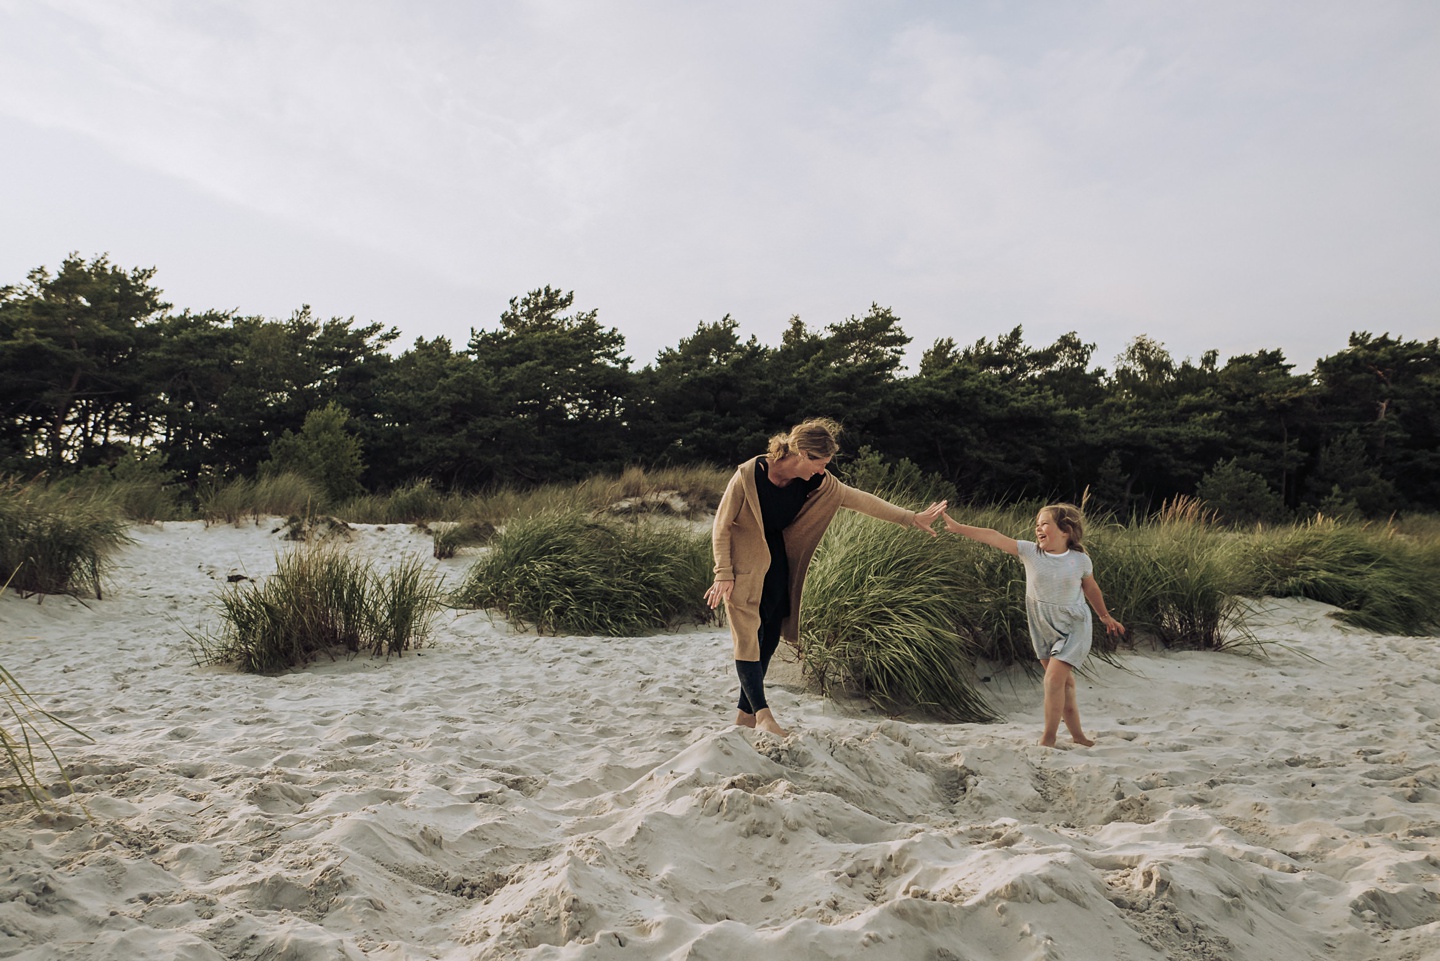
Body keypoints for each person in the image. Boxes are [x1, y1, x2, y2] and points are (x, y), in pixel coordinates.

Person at [705, 418, 947, 737]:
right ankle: (762, 714)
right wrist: (723, 572)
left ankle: (744, 714)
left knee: (772, 629)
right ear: (803, 454)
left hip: (776, 555)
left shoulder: (815, 482)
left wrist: (910, 518)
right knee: (747, 633)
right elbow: (721, 525)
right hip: (743, 561)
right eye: (820, 463)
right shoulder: (749, 475)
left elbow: (858, 499)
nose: (822, 471)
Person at [942, 503, 1125, 748]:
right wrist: (959, 527)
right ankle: (1078, 736)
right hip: (1042, 626)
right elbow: (994, 537)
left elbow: (1091, 588)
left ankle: (1048, 739)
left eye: (1044, 523)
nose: (1038, 528)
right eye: (1037, 524)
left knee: (1052, 681)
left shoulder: (1079, 560)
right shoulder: (1031, 552)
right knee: (1065, 684)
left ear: (1065, 531)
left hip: (1074, 626)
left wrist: (1104, 616)